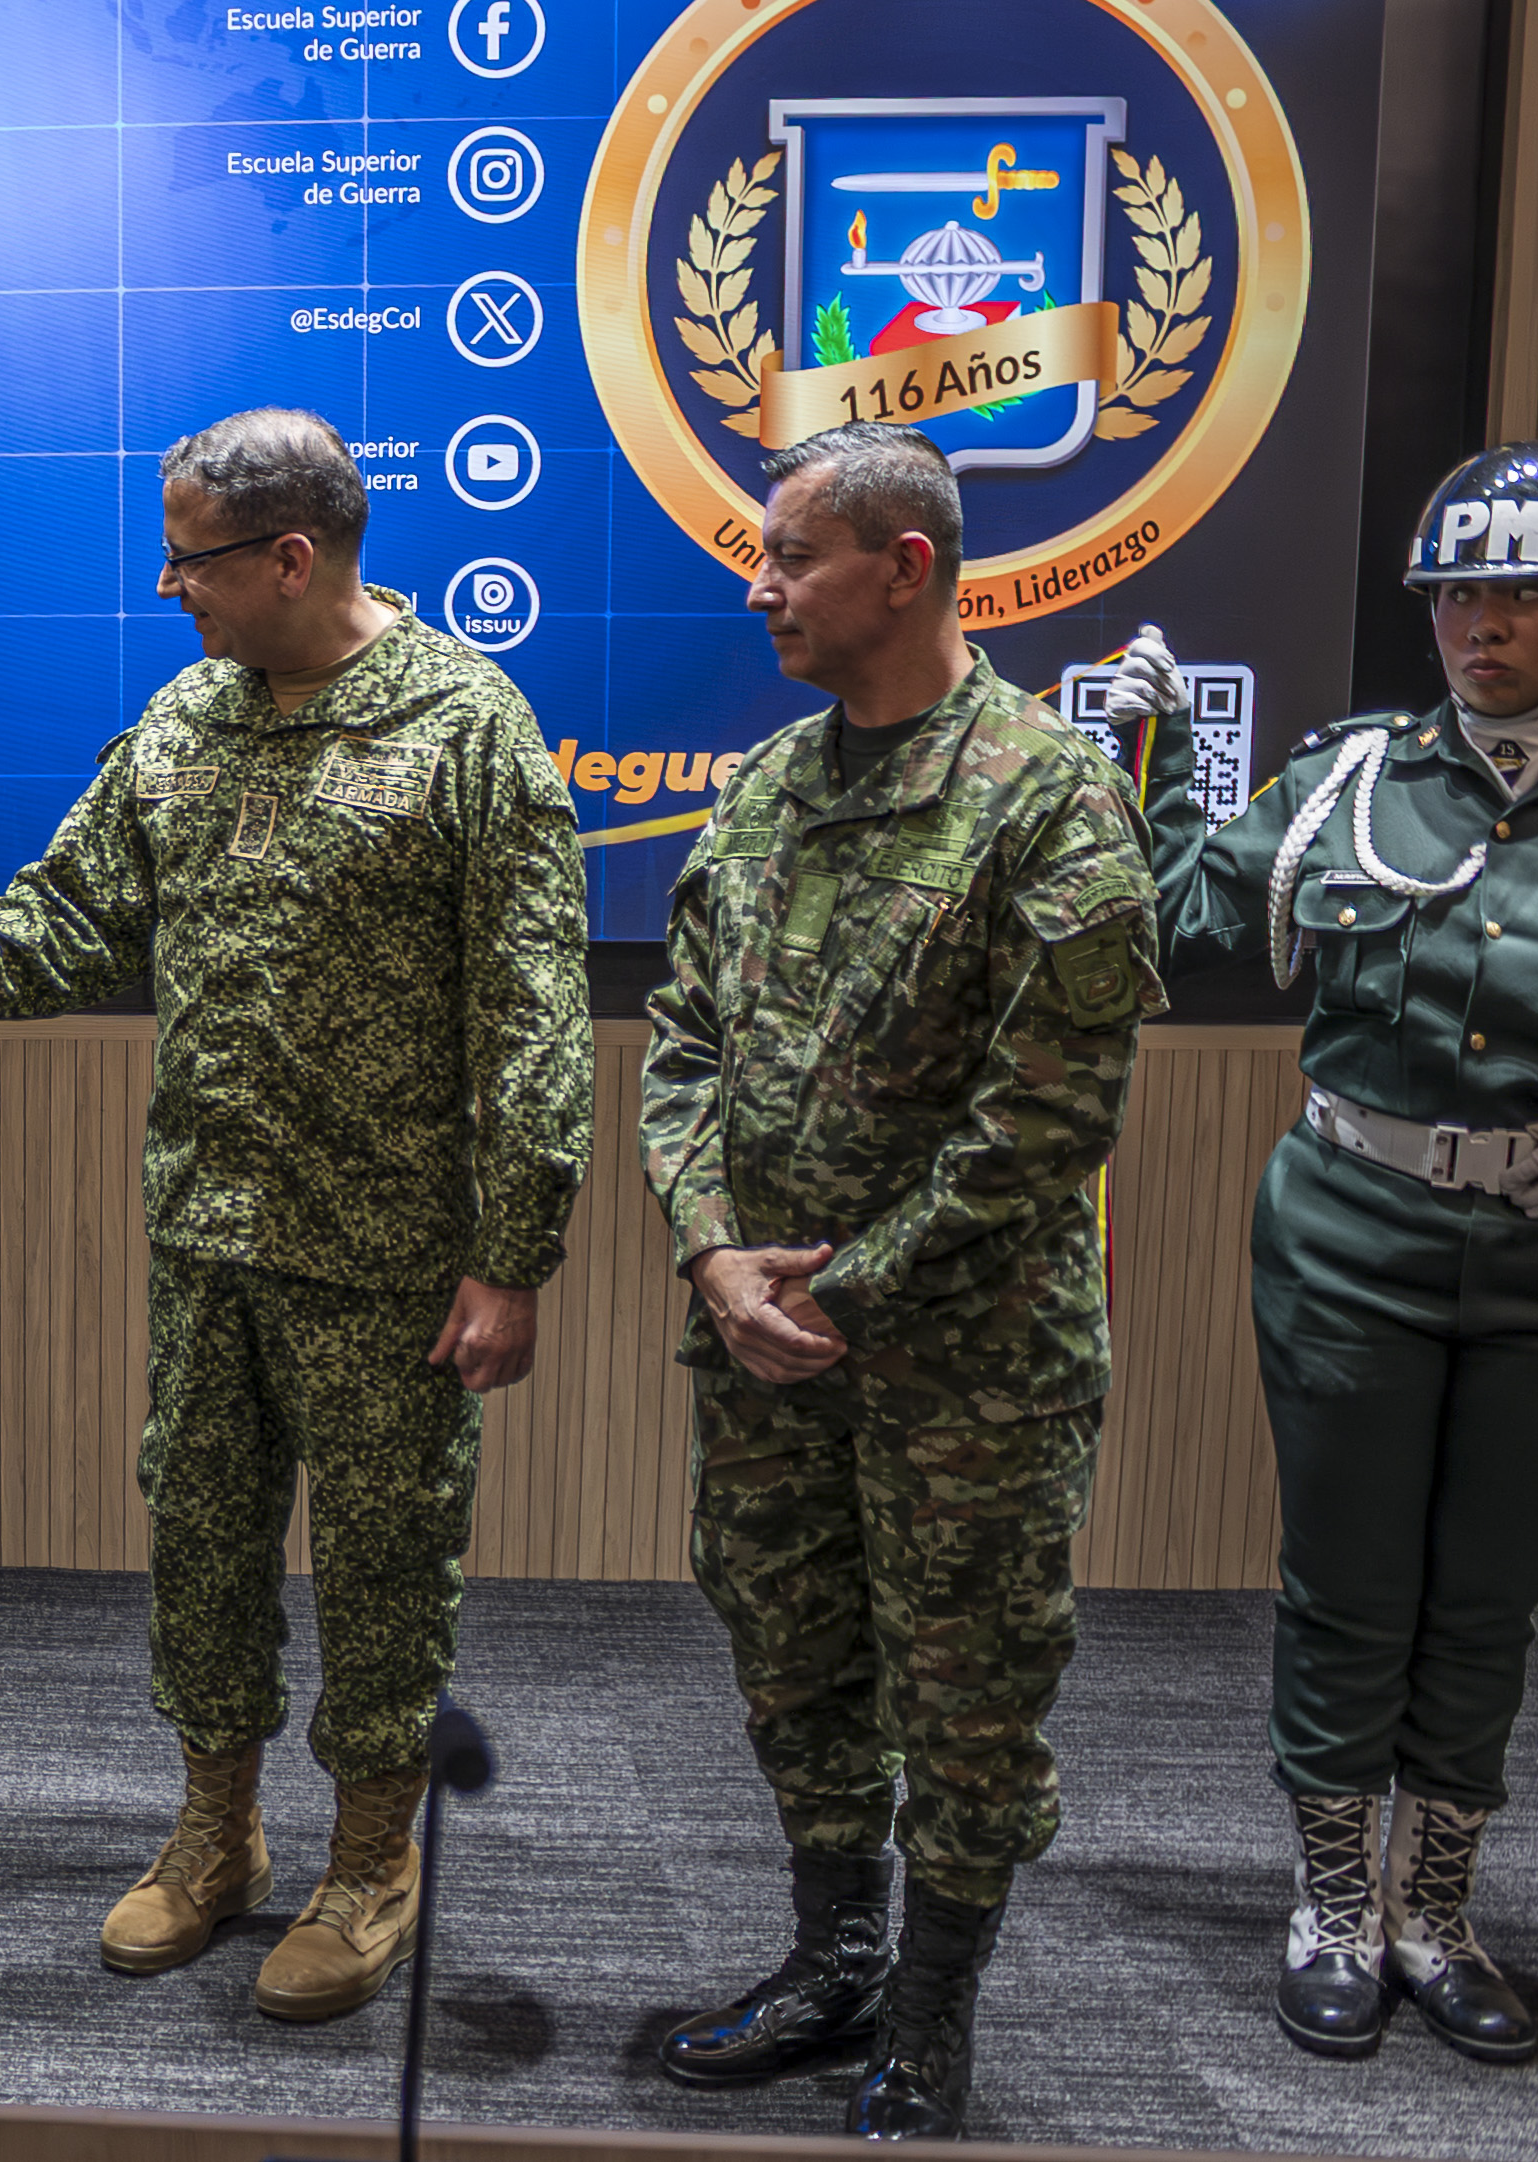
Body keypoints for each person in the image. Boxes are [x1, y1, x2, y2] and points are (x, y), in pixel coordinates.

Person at [0, 407, 591, 2025]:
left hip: (381, 1259)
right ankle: (216, 1830)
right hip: (207, 1246)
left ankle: (372, 1856)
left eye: (193, 557)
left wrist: (512, 1257)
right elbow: (72, 918)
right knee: (206, 1546)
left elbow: (534, 1020)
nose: (169, 586)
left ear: (291, 556)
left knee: (383, 1561)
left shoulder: (467, 728)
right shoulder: (184, 722)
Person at [637, 420, 1164, 2139]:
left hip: (966, 1366)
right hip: (763, 1343)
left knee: (967, 1689)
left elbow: (1047, 1115)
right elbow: (683, 1041)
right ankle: (832, 1955)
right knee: (796, 1660)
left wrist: (839, 1285)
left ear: (908, 567)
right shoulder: (771, 786)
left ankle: (931, 2012)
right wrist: (717, 1254)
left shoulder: (1047, 795)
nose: (761, 583)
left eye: (793, 555)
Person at [1110, 442, 1538, 2068]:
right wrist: (1139, 754)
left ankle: (1441, 1906)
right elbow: (1170, 916)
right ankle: (1336, 1900)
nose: (1484, 623)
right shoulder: (1352, 779)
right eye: (1459, 593)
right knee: (1348, 1582)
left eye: (1527, 591)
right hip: (1353, 1226)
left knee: (1490, 1590)